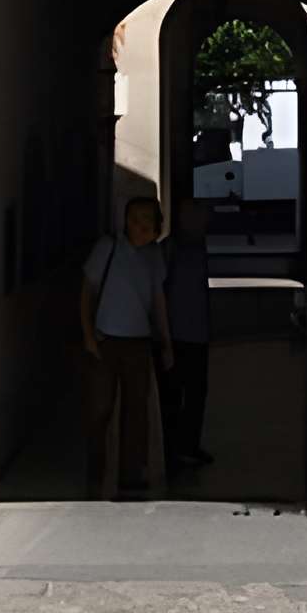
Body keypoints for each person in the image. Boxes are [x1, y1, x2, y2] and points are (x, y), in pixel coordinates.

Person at [81, 195, 173, 497]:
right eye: (134, 219)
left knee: (137, 410)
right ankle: (96, 468)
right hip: (106, 339)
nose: (140, 227)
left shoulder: (153, 256)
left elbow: (158, 301)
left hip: (138, 342)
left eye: (147, 221)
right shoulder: (108, 248)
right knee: (100, 408)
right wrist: (88, 336)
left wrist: (166, 342)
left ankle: (132, 471)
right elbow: (87, 292)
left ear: (157, 226)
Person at [157, 196, 213, 470]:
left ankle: (188, 445)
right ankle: (172, 451)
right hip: (176, 335)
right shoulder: (171, 249)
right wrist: (163, 337)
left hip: (197, 334)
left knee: (196, 394)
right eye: (200, 217)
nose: (205, 222)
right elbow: (160, 294)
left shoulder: (199, 248)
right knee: (173, 396)